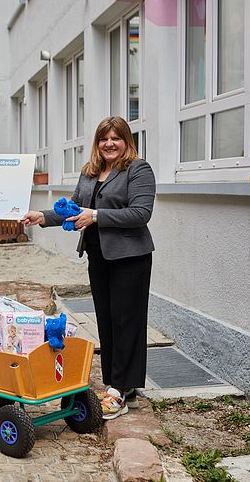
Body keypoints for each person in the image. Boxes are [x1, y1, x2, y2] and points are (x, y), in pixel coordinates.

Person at [23, 116, 156, 420]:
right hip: (98, 255)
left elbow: (140, 213)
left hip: (130, 257)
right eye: (103, 138)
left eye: (116, 138)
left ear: (126, 142)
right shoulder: (90, 173)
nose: (109, 144)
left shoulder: (138, 170)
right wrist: (41, 217)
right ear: (97, 143)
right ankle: (122, 386)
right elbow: (72, 209)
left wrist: (96, 216)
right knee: (108, 321)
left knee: (126, 322)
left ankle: (119, 392)